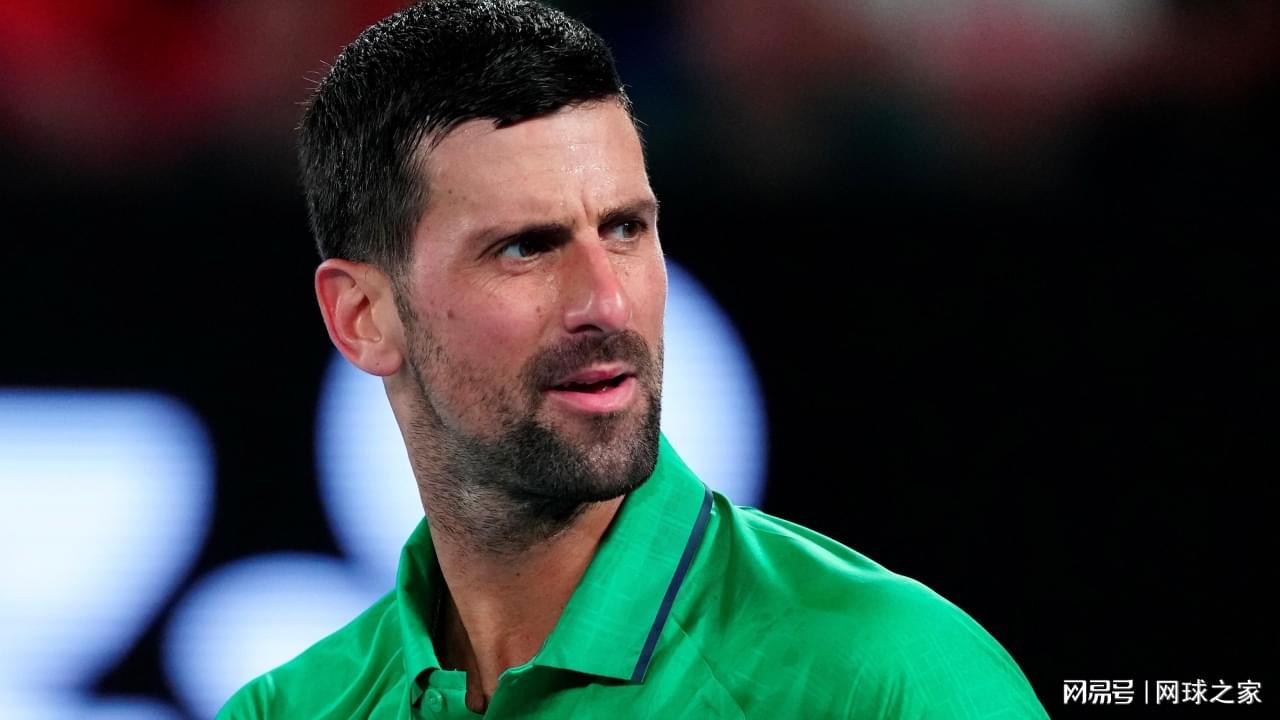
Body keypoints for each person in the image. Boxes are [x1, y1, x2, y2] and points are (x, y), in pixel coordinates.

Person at [218, 1, 1049, 717]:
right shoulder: (282, 709)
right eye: (525, 248)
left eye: (625, 229)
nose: (607, 304)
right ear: (363, 317)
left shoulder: (891, 677)